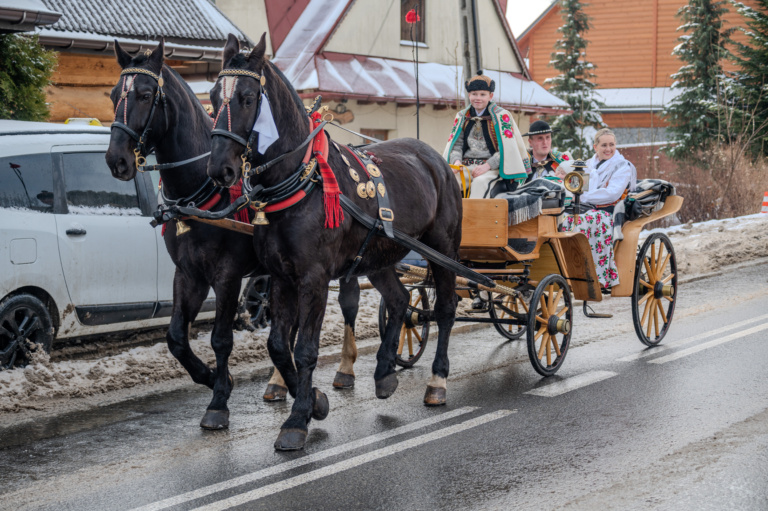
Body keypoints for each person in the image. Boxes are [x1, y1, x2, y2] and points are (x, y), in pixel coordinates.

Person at [562, 128, 637, 289]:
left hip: (610, 210)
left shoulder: (622, 166)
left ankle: (596, 274)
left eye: (611, 144)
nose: (608, 149)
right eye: (603, 145)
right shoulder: (587, 165)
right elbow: (576, 186)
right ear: (595, 147)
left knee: (583, 222)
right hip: (586, 207)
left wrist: (583, 196)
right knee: (564, 219)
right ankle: (568, 267)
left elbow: (612, 193)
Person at [444, 72, 531, 199]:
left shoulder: (501, 116)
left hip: (492, 168)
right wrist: (456, 161)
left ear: (490, 96)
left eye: (482, 94)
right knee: (447, 181)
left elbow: (508, 150)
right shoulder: (463, 117)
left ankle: (474, 218)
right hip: (466, 166)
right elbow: (456, 145)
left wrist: (488, 165)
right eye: (474, 94)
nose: (477, 98)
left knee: (479, 183)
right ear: (469, 95)